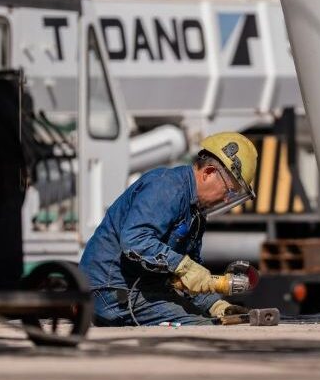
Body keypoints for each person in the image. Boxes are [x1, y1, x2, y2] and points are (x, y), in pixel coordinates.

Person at [79, 132, 258, 326]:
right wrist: (182, 266)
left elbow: (190, 278)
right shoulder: (166, 187)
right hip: (110, 292)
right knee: (203, 328)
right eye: (229, 191)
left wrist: (216, 306)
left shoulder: (195, 214)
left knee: (215, 320)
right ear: (208, 173)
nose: (226, 199)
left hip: (142, 290)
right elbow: (135, 240)